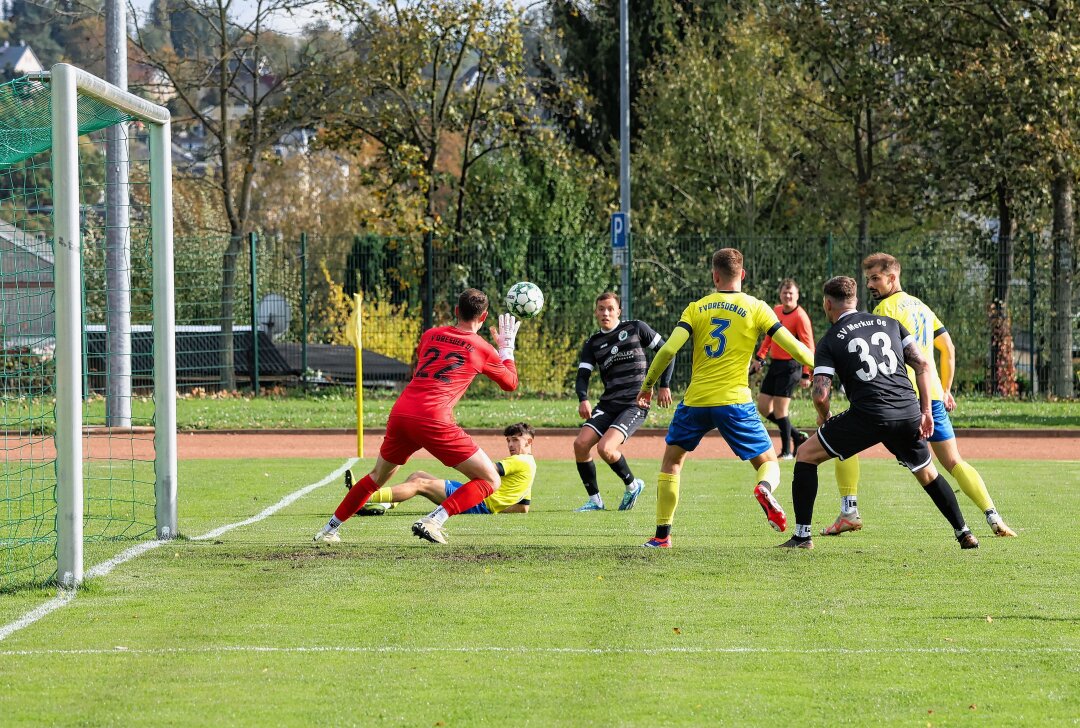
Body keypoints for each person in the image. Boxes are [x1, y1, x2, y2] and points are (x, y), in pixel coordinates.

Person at [820, 253, 1016, 538]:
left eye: (875, 278)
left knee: (842, 441)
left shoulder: (885, 310)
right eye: (868, 280)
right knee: (953, 462)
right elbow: (947, 347)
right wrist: (945, 388)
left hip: (898, 399)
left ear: (892, 277)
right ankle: (993, 516)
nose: (871, 285)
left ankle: (849, 510)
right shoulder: (922, 306)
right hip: (932, 396)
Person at [777, 276, 979, 550]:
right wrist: (926, 411)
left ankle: (802, 537)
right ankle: (964, 532)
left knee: (806, 455)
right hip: (908, 412)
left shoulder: (831, 338)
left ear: (827, 304)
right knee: (928, 473)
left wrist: (824, 418)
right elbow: (921, 364)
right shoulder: (891, 324)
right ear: (856, 300)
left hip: (867, 415)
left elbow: (820, 393)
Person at [636, 248, 815, 548]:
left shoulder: (697, 307)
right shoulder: (757, 307)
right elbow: (795, 348)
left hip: (695, 402)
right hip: (735, 402)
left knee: (672, 463)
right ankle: (764, 488)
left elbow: (667, 350)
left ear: (714, 275)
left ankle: (661, 536)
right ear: (742, 274)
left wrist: (648, 385)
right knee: (768, 462)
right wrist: (821, 369)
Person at [312, 288, 521, 545]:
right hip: (434, 418)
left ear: (456, 311)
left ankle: (330, 529)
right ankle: (434, 520)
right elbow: (510, 383)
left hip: (402, 411)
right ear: (485, 316)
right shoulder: (483, 348)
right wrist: (506, 349)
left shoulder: (431, 334)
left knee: (377, 475)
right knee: (490, 480)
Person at [573, 291, 674, 512]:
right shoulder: (593, 343)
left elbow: (668, 351)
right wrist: (583, 399)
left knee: (606, 449)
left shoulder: (636, 328)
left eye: (610, 308)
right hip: (608, 404)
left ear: (619, 311)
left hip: (634, 403)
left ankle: (632, 486)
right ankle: (595, 501)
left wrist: (664, 385)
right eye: (601, 309)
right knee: (580, 445)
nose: (605, 313)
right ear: (595, 312)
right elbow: (582, 376)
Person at [352, 422, 537, 515]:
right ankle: (385, 504)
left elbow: (488, 471)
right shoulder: (530, 466)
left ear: (529, 441)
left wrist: (488, 508)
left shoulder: (520, 461)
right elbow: (523, 508)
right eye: (508, 440)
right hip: (479, 501)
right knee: (418, 474)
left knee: (419, 484)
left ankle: (364, 496)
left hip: (477, 502)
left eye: (515, 440)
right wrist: (496, 508)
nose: (511, 444)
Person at [750, 278, 815, 459]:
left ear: (797, 295)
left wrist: (806, 373)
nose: (787, 296)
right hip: (775, 364)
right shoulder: (776, 311)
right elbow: (769, 338)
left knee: (780, 410)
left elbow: (809, 347)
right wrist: (760, 357)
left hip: (791, 367)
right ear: (780, 294)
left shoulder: (801, 317)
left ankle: (787, 452)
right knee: (763, 406)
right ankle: (796, 435)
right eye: (785, 293)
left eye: (791, 293)